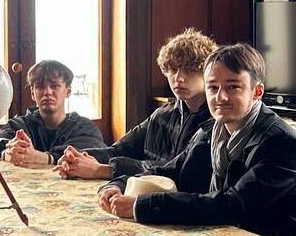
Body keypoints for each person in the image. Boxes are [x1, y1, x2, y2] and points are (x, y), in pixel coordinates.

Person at [100, 43, 296, 236]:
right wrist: (122, 184)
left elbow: (232, 205)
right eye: (213, 87)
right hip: (221, 235)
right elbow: (173, 171)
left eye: (233, 87)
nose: (221, 97)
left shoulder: (281, 142)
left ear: (257, 92)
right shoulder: (211, 130)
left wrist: (140, 206)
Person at [58, 28, 215, 181]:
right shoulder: (162, 114)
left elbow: (174, 170)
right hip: (140, 190)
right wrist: (78, 157)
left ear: (208, 73)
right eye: (173, 69)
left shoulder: (215, 122)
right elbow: (120, 149)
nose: (179, 78)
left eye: (189, 70)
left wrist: (104, 170)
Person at [0, 60, 105, 168]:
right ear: (32, 93)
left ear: (68, 91)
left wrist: (44, 158)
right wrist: (7, 153)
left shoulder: (84, 128)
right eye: (40, 87)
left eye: (55, 86)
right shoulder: (19, 125)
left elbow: (94, 154)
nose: (47, 92)